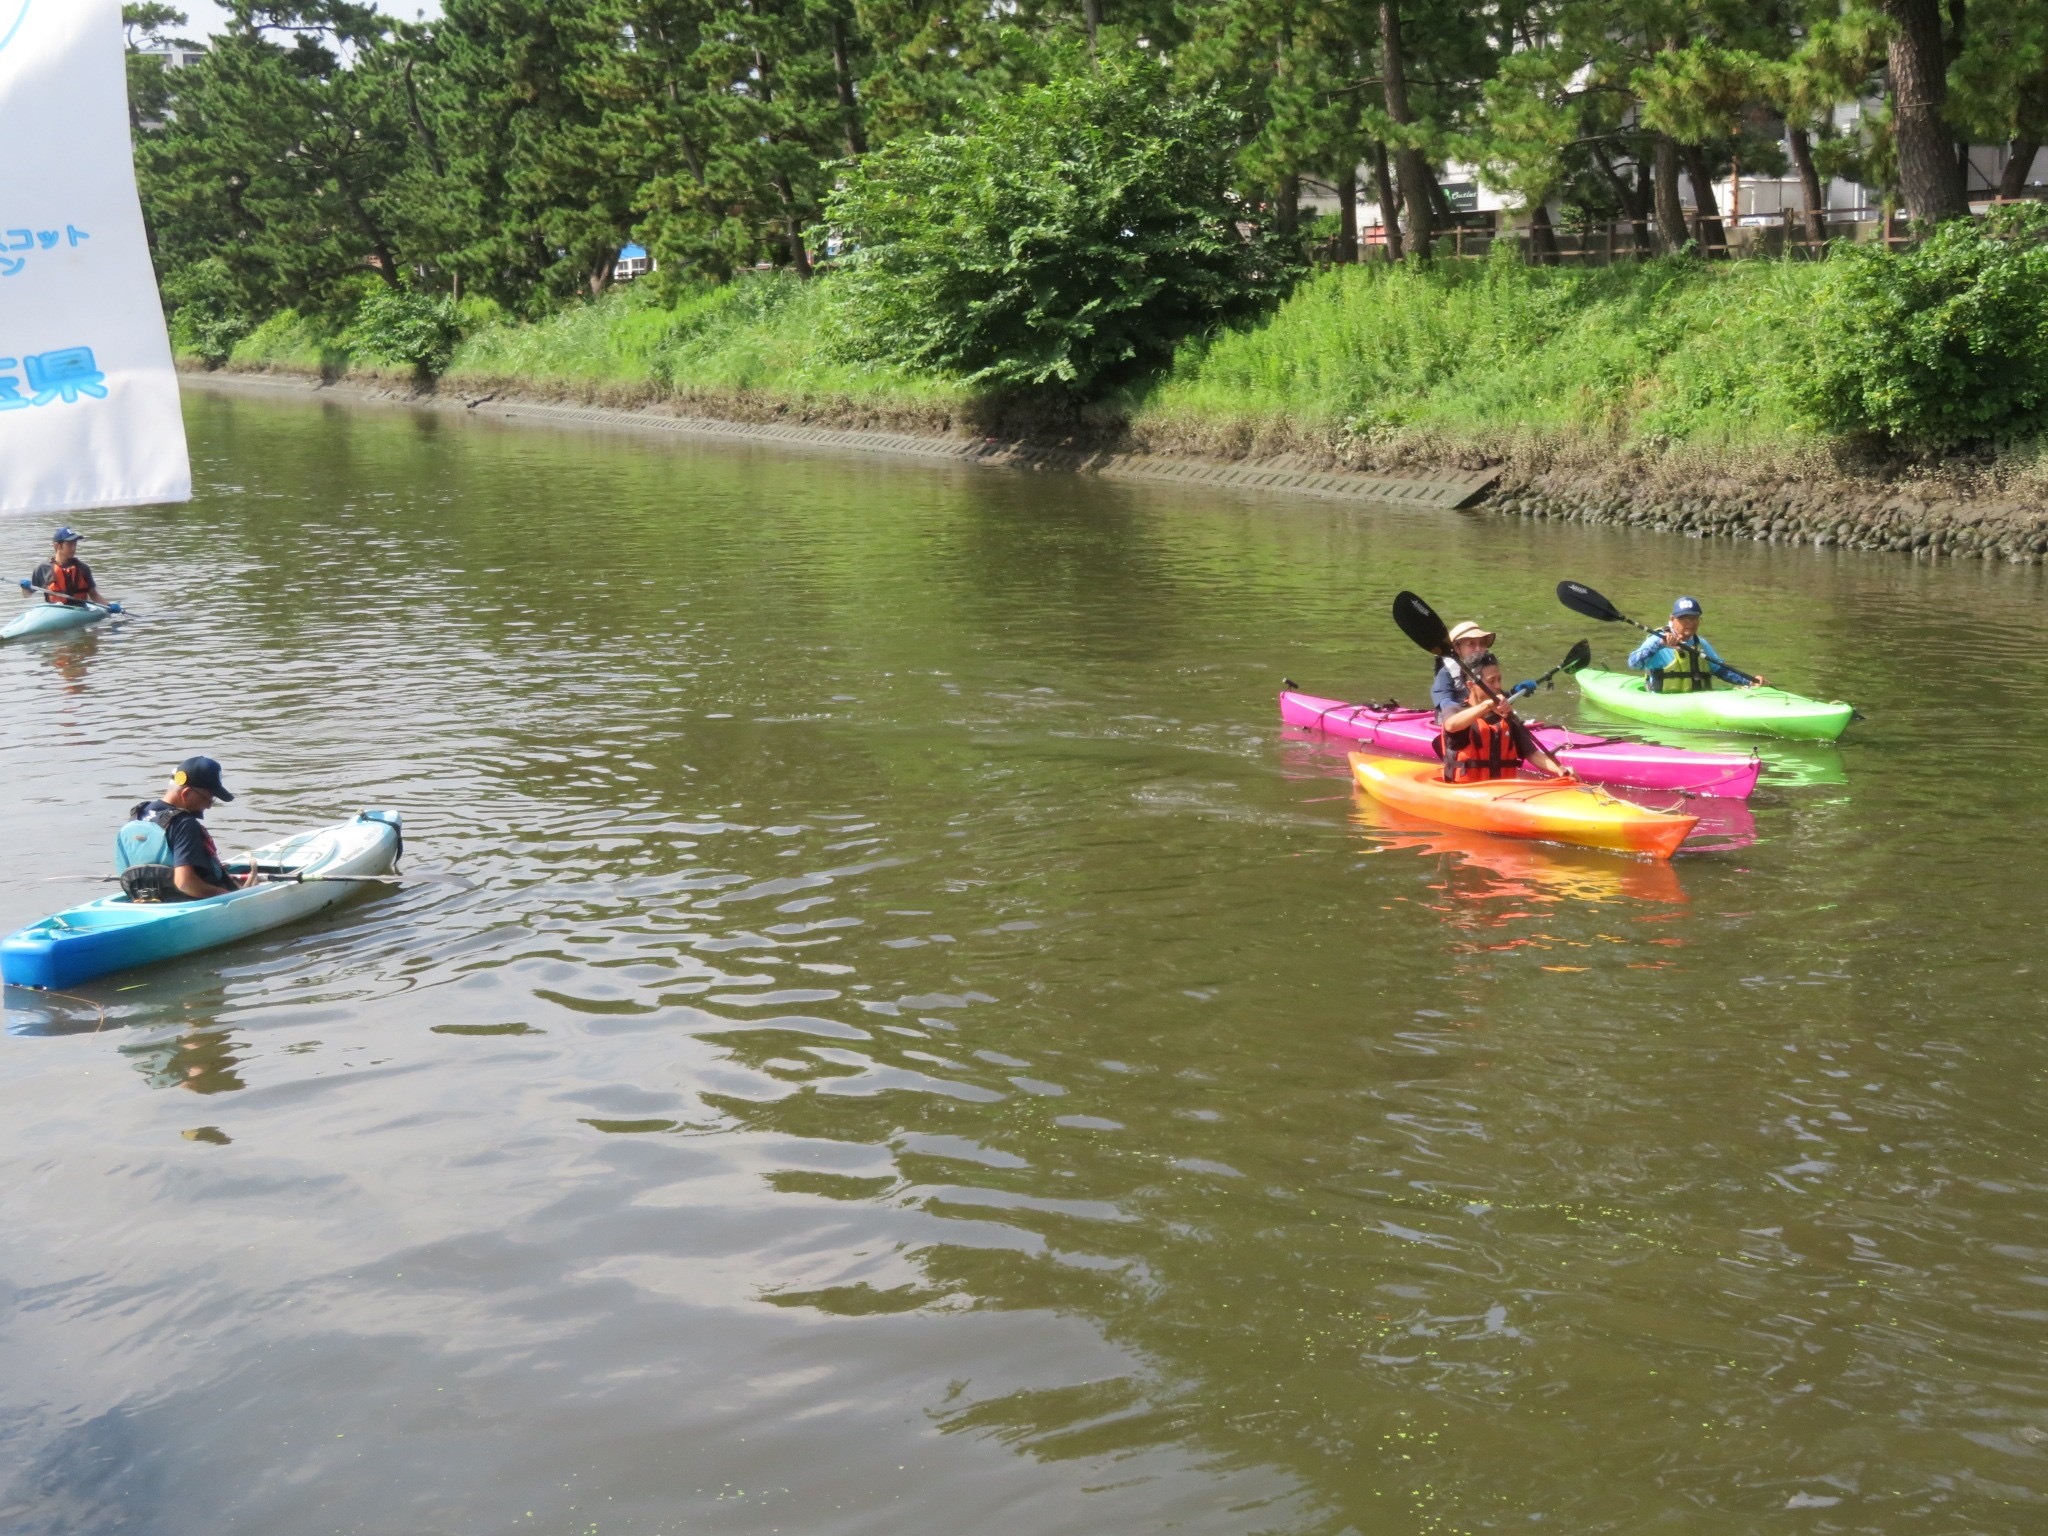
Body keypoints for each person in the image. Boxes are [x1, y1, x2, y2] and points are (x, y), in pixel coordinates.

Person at [113, 757, 253, 901]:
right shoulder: (184, 823)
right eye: (209, 798)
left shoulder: (138, 814)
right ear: (185, 793)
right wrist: (224, 894)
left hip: (142, 900)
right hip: (185, 903)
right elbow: (185, 883)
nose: (209, 806)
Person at [1436, 652, 1574, 784]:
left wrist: (1560, 769)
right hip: (1466, 793)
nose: (1498, 686)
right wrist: (1488, 705)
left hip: (1502, 792)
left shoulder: (1506, 716)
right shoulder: (1456, 711)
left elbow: (1533, 754)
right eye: (1491, 681)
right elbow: (1451, 725)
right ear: (1471, 686)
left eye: (1499, 679)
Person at [1627, 597, 1765, 692]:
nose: (1690, 623)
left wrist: (1750, 681)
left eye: (1693, 618)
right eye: (1683, 618)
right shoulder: (1657, 639)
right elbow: (1633, 664)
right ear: (1672, 619)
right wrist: (1659, 644)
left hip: (1697, 701)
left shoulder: (1701, 644)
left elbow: (1722, 671)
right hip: (1664, 700)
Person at [23, 526, 116, 610]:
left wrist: (109, 605)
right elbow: (26, 595)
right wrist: (25, 587)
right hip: (54, 611)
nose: (73, 548)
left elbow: (94, 595)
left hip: (79, 610)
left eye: (74, 544)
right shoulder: (42, 569)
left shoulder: (83, 568)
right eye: (69, 544)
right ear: (57, 546)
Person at [1429, 620, 1498, 720]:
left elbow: (1497, 695)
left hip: (1482, 720)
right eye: (1472, 643)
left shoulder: (1487, 670)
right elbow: (1445, 703)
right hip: (1456, 722)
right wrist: (1473, 710)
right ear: (1457, 647)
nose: (1478, 649)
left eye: (1482, 643)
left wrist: (1515, 691)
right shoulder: (1446, 673)